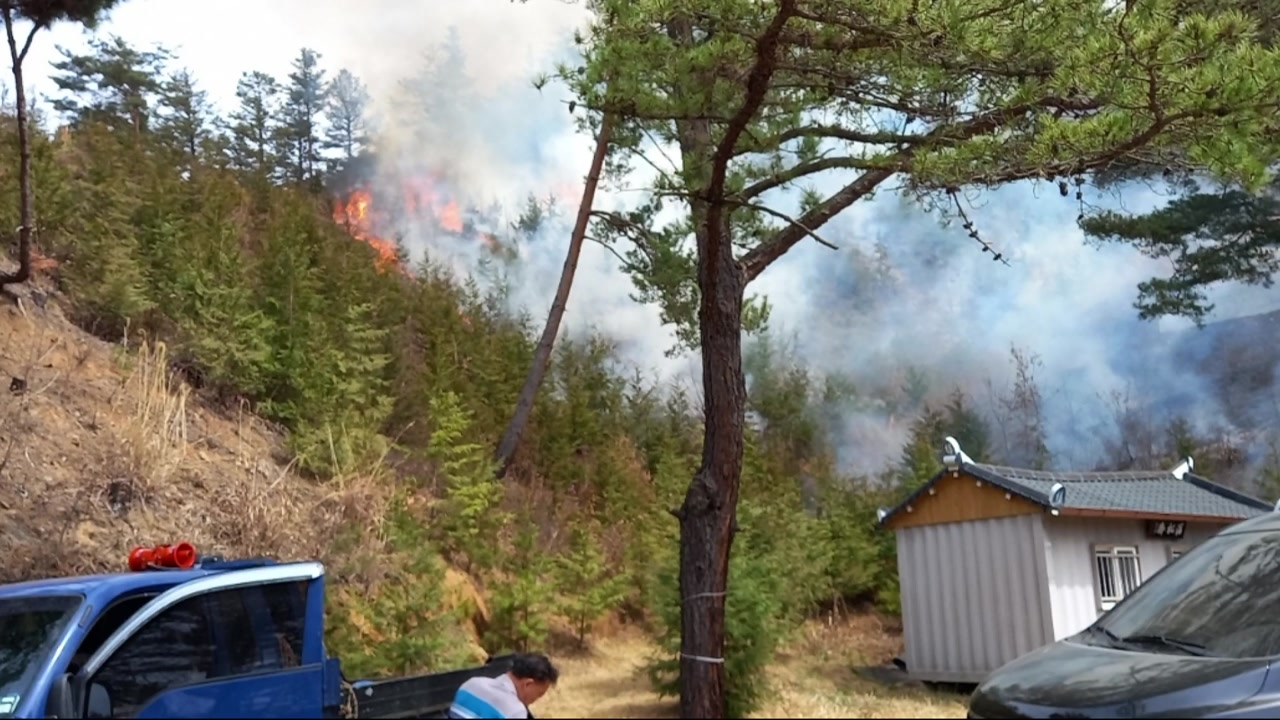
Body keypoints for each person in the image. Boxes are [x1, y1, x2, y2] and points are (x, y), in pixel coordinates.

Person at [448, 652, 560, 719]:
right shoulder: (515, 711)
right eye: (539, 694)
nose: (536, 700)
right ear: (528, 684)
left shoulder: (470, 685)